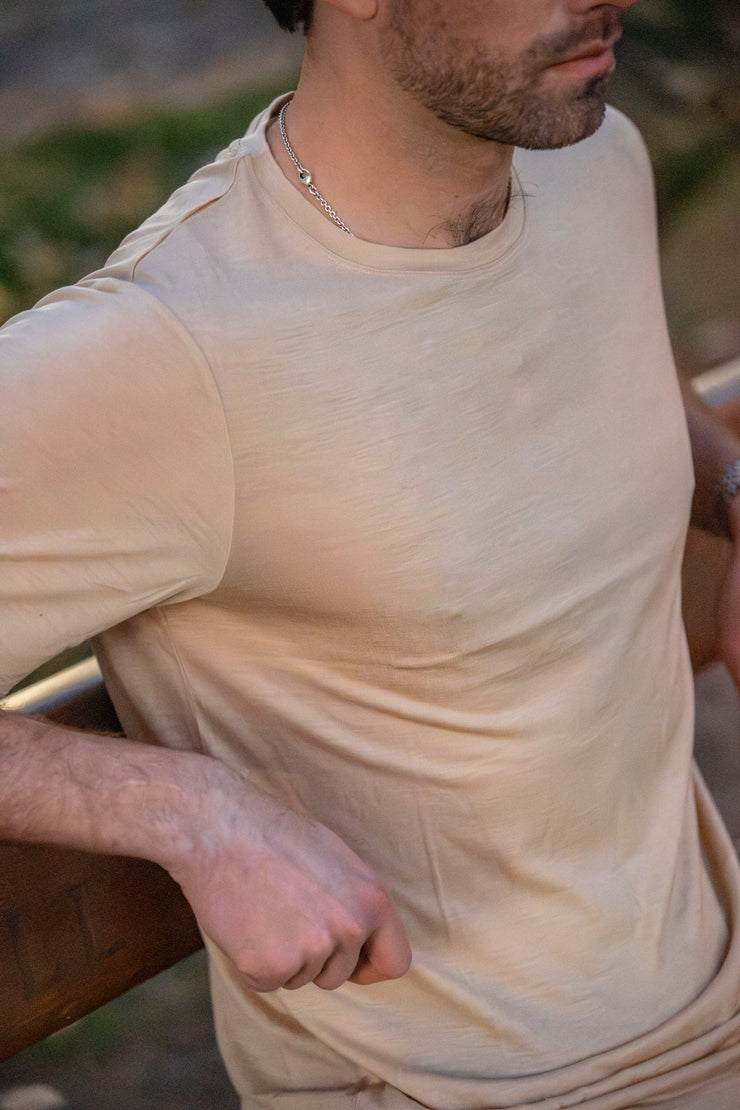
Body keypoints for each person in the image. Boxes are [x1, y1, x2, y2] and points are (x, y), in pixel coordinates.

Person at [2, 0, 740, 1106]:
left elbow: (592, 364)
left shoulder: (591, 164)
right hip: (461, 1087)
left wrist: (729, 493)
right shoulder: (155, 351)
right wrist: (191, 812)